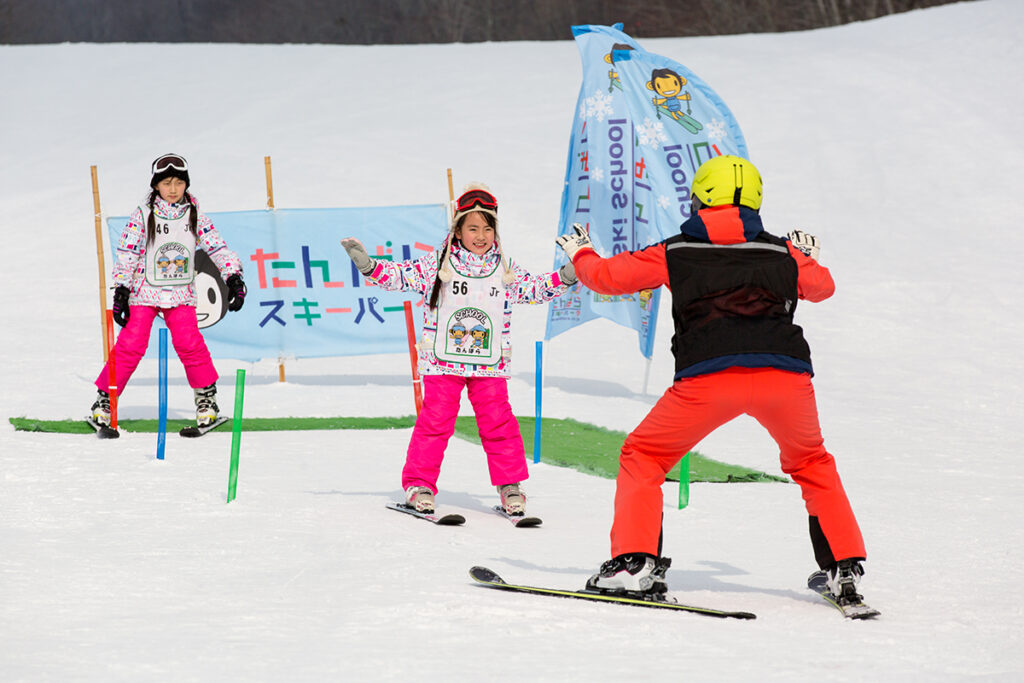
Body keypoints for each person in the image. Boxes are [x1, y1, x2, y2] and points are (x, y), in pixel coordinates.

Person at [556, 155, 869, 607]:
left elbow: (606, 279)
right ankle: (842, 569)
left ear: (700, 198)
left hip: (708, 377)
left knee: (643, 455)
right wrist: (804, 256)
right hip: (785, 375)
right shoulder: (781, 251)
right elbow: (822, 287)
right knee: (812, 464)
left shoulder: (676, 250)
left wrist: (580, 253)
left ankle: (634, 563)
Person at [341, 183, 576, 517]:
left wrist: (567, 275)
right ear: (458, 230)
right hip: (442, 363)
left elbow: (534, 289)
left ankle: (510, 485)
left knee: (499, 422)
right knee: (436, 421)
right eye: (473, 228)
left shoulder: (505, 269)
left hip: (488, 365)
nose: (480, 236)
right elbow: (399, 276)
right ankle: (419, 484)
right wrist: (369, 266)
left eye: (487, 228)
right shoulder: (438, 264)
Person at [89, 153, 246, 432]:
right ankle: (105, 401)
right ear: (156, 186)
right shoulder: (143, 214)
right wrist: (122, 290)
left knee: (189, 342)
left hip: (180, 293)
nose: (173, 190)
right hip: (144, 291)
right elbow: (128, 252)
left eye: (178, 183)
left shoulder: (194, 214)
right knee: (132, 343)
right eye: (166, 183)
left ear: (186, 184)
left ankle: (206, 400)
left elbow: (217, 247)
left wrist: (233, 277)